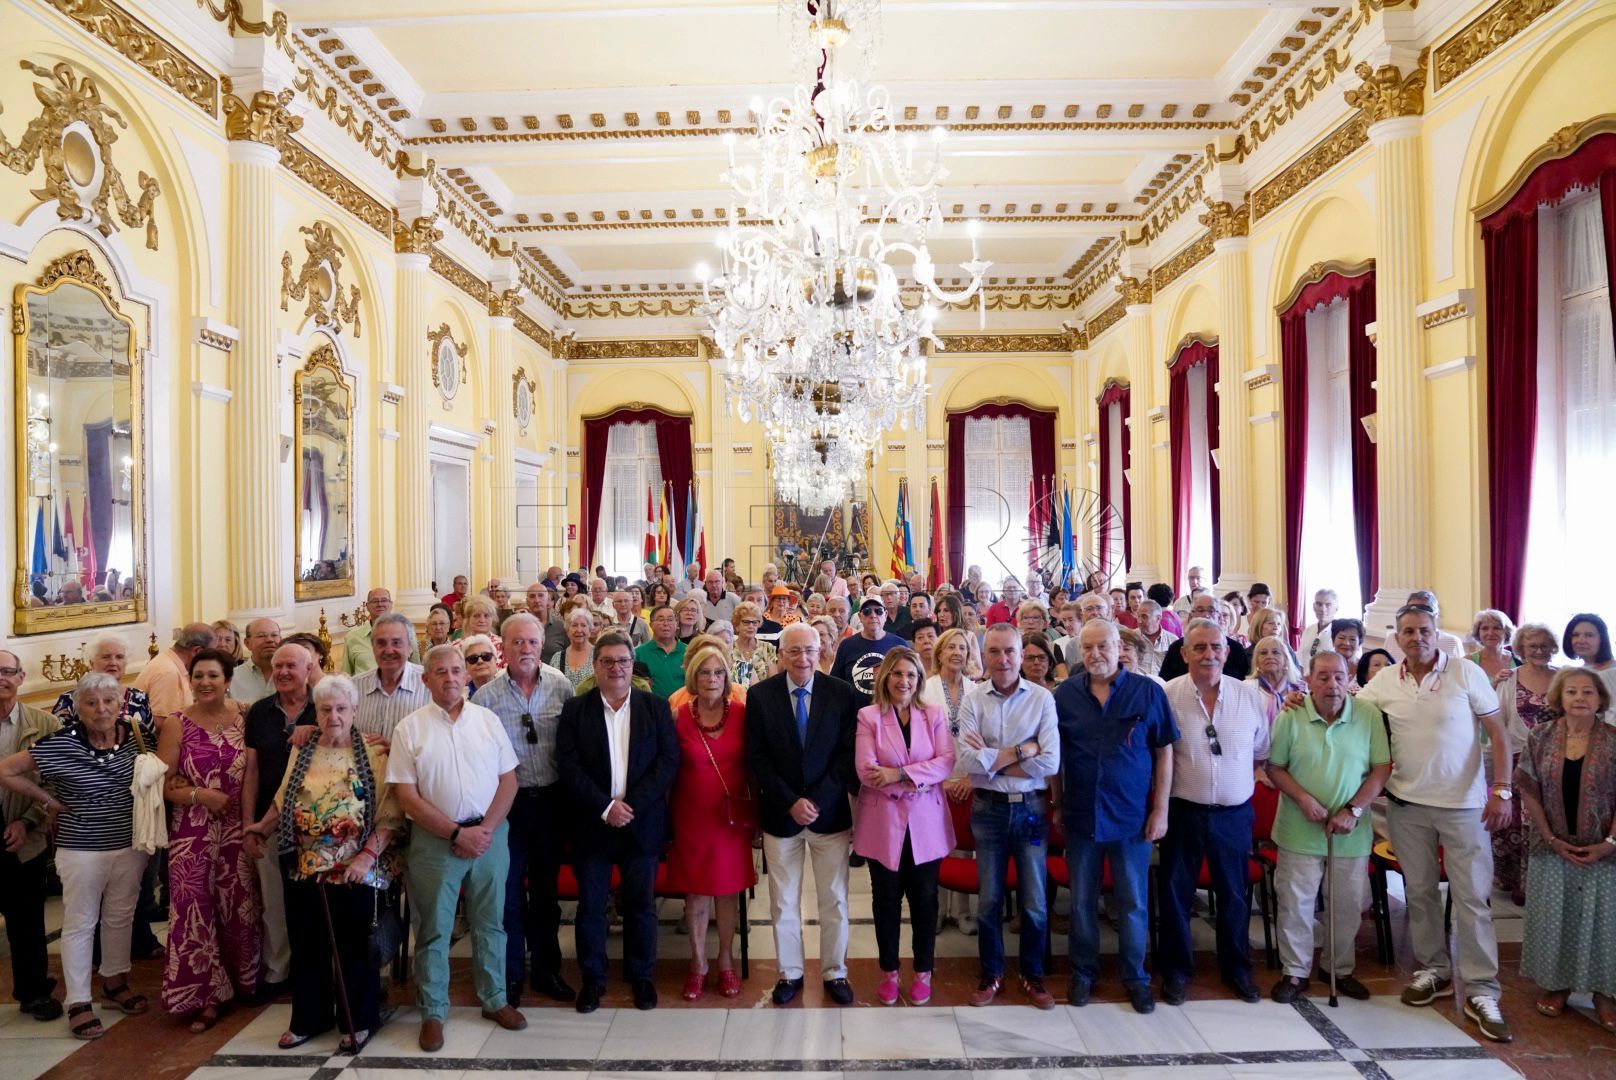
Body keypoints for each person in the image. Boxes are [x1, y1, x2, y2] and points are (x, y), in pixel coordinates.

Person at [1357, 603, 1513, 1042]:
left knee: (1472, 899)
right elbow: (1348, 712)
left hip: (1465, 806)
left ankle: (1483, 988)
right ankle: (1434, 970)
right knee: (1420, 892)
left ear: (1437, 632)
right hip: (1408, 806)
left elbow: (1498, 733)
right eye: (1407, 631)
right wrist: (1299, 698)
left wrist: (1502, 789)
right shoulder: (1385, 680)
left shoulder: (1466, 672)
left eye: (1424, 630)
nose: (1416, 638)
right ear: (1397, 637)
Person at [247, 675, 401, 1052]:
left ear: (355, 710)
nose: (333, 716)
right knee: (306, 944)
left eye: (341, 708)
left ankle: (358, 1018)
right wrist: (261, 828)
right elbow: (285, 797)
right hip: (304, 863)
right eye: (326, 708)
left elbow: (390, 815)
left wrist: (365, 858)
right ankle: (309, 1018)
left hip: (356, 868)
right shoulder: (304, 748)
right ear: (316, 712)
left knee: (354, 945)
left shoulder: (375, 751)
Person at [388, 644, 524, 1052]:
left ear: (467, 676)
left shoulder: (487, 721)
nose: (450, 678)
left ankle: (495, 999)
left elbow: (509, 781)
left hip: (490, 836)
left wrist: (484, 830)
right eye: (440, 672)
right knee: (433, 930)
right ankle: (432, 1010)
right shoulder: (408, 729)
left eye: (455, 671)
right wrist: (454, 834)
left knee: (491, 922)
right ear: (426, 680)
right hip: (434, 842)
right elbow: (407, 799)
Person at [0, 674, 149, 1040]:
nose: (101, 709)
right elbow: (6, 770)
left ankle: (115, 983)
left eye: (109, 701)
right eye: (91, 702)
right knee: (81, 923)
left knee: (120, 916)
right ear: (77, 707)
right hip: (81, 848)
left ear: (121, 705)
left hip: (130, 844)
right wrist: (48, 802)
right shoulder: (59, 744)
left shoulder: (139, 738)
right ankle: (79, 1002)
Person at [1056, 620, 1175, 1013]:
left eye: (1102, 646)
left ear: (1118, 646)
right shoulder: (1066, 695)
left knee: (1132, 903)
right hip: (1081, 815)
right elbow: (1055, 759)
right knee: (1083, 902)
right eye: (1087, 647)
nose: (1095, 654)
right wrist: (1056, 803)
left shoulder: (1147, 693)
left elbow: (1164, 752)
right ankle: (1084, 973)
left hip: (1132, 819)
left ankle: (1135, 977)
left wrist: (1161, 809)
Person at [556, 632, 679, 1013]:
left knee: (641, 906)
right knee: (591, 907)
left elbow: (667, 762)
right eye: (607, 661)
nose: (616, 668)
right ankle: (593, 980)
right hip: (593, 824)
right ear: (595, 666)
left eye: (622, 661)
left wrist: (631, 806)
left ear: (632, 665)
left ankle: (641, 977)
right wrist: (606, 807)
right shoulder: (576, 710)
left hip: (641, 824)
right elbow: (569, 765)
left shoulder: (655, 707)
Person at [1265, 652, 1391, 1003]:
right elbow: (1275, 767)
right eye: (1322, 676)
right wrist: (1303, 799)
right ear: (1308, 679)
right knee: (1295, 902)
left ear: (1349, 676)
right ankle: (1295, 970)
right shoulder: (1291, 716)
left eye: (1338, 676)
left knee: (1348, 904)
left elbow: (1381, 769)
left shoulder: (1367, 715)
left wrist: (1354, 809)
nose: (1331, 684)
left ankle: (1339, 969)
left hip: (1350, 830)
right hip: (1298, 827)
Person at [746, 622, 860, 1006]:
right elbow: (757, 758)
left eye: (809, 650)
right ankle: (790, 972)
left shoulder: (842, 694)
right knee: (783, 901)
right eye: (793, 651)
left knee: (834, 899)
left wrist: (818, 800)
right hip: (782, 815)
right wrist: (790, 801)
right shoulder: (761, 696)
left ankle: (835, 971)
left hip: (828, 817)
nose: (802, 658)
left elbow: (847, 756)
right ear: (781, 654)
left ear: (821, 651)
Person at [1159, 617, 1271, 1004]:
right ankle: (1176, 970)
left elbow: (1261, 751)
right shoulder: (1168, 696)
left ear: (1227, 651)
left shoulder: (1249, 696)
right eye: (1201, 648)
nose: (1209, 655)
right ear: (1184, 652)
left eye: (1216, 647)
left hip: (1233, 815)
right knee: (1176, 894)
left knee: (1234, 895)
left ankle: (1236, 968)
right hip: (1183, 812)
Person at [471, 613, 577, 1006]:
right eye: (517, 642)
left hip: (550, 803)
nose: (526, 649)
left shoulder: (561, 686)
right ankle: (511, 974)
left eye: (532, 642)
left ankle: (548, 970)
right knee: (509, 893)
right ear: (504, 647)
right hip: (508, 810)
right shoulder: (485, 698)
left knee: (547, 894)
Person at [959, 624, 1060, 1008]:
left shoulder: (1041, 699)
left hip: (1032, 810)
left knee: (1034, 900)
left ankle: (1033, 975)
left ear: (1022, 655)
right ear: (985, 655)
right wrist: (1023, 751)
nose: (1002, 660)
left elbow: (1050, 762)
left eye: (1010, 652)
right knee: (989, 900)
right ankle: (992, 973)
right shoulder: (973, 700)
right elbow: (968, 762)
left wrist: (993, 759)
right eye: (995, 651)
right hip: (988, 810)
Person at [158, 649, 260, 1031]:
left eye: (213, 676)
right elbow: (165, 785)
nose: (204, 683)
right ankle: (203, 997)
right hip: (193, 831)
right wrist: (201, 795)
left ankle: (243, 982)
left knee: (239, 904)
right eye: (198, 676)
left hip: (237, 826)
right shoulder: (176, 723)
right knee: (194, 909)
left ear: (227, 679)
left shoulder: (247, 715)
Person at [1515, 668, 1616, 1031]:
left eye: (1588, 692)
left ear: (1600, 699)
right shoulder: (1540, 737)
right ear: (1560, 698)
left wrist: (1609, 844)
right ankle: (1557, 986)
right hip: (1551, 846)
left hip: (1606, 851)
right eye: (1571, 691)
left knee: (1603, 922)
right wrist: (1552, 838)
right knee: (1557, 918)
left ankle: (1606, 993)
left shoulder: (1614, 740)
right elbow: (1528, 789)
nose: (1579, 698)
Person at [852, 647, 955, 1006]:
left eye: (911, 675)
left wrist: (898, 774)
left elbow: (945, 762)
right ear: (885, 678)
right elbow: (865, 771)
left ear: (919, 680)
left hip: (926, 823)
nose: (904, 681)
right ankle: (889, 971)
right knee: (886, 900)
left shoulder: (934, 715)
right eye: (897, 674)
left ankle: (924, 970)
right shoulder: (869, 717)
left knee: (925, 900)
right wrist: (915, 777)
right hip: (883, 822)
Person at [664, 642, 756, 1000]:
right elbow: (669, 772)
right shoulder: (679, 716)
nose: (712, 679)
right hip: (691, 817)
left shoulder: (743, 713)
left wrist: (758, 822)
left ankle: (727, 960)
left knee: (728, 893)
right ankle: (698, 963)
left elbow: (754, 768)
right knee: (697, 894)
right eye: (705, 672)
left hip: (731, 819)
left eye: (719, 672)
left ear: (727, 677)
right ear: (693, 677)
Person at [241, 643, 319, 998]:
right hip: (267, 820)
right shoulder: (260, 712)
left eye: (292, 665)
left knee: (313, 899)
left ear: (308, 669)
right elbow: (252, 771)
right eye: (279, 667)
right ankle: (278, 970)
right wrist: (248, 823)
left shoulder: (324, 706)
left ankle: (314, 967)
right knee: (273, 897)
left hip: (315, 822)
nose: (284, 672)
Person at [0, 649, 64, 1022]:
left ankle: (34, 993)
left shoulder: (45, 725)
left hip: (24, 836)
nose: (2, 679)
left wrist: (27, 821)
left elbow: (57, 786)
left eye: (8, 672)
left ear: (22, 678)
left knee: (26, 920)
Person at [1495, 623, 1560, 904]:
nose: (1539, 651)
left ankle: (1547, 882)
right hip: (1517, 759)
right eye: (1533, 646)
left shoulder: (1563, 678)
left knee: (1549, 823)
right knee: (1516, 825)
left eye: (1545, 646)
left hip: (1555, 763)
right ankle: (1518, 883)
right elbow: (1499, 725)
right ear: (1521, 648)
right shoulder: (1509, 679)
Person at [927, 627, 980, 935]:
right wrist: (938, 781)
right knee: (935, 846)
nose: (957, 652)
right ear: (940, 653)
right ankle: (935, 909)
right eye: (951, 648)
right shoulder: (926, 688)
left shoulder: (978, 690)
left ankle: (961, 912)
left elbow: (986, 737)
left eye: (962, 648)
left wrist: (973, 778)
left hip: (969, 778)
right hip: (936, 781)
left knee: (963, 846)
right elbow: (919, 740)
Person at [52, 635, 155, 731]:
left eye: (119, 657)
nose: (113, 663)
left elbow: (150, 741)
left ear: (126, 663)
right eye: (106, 657)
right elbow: (56, 742)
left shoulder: (140, 698)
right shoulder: (70, 700)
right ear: (92, 663)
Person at [832, 596, 908, 708]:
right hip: (854, 717)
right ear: (860, 616)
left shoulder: (900, 645)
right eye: (867, 611)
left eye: (879, 611)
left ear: (885, 615)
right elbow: (836, 684)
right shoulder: (846, 646)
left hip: (891, 714)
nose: (873, 615)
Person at [134, 622, 216, 725]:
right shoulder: (168, 672)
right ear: (197, 651)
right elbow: (161, 723)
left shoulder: (170, 663)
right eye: (211, 654)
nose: (211, 660)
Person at [1159, 593, 1251, 681]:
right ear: (1191, 616)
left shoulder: (1236, 649)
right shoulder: (1177, 648)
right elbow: (1165, 683)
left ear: (1219, 616)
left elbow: (1243, 684)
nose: (1206, 615)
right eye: (1200, 610)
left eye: (1211, 610)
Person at [340, 589, 421, 675]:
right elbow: (346, 674)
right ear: (367, 606)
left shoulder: (407, 633)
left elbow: (416, 669)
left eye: (384, 600)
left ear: (391, 604)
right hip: (363, 687)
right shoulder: (352, 637)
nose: (380, 604)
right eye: (375, 601)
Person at [637, 604, 689, 698]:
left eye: (670, 619)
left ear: (677, 624)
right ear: (651, 625)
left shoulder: (690, 652)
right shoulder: (639, 653)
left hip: (683, 707)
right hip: (651, 708)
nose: (666, 624)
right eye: (661, 620)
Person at [1563, 613, 1616, 703]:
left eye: (1589, 635)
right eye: (1575, 635)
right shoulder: (1573, 674)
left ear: (1602, 639)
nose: (1581, 640)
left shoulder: (1613, 670)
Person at [231, 619, 282, 703]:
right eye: (261, 636)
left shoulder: (292, 675)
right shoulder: (232, 678)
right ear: (247, 643)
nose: (269, 640)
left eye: (274, 635)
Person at [730, 601, 778, 687]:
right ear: (737, 625)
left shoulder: (767, 647)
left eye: (755, 622)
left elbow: (773, 682)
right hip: (736, 697)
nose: (751, 626)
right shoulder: (729, 649)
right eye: (746, 622)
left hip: (762, 697)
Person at [550, 606, 597, 691]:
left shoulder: (599, 655)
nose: (579, 630)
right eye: (574, 625)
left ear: (590, 630)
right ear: (567, 630)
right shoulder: (557, 658)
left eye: (583, 625)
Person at [1469, 609, 1519, 684]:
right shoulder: (1469, 661)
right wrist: (1494, 683)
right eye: (1485, 628)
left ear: (1506, 632)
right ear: (1478, 632)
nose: (1490, 633)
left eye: (1496, 628)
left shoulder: (1518, 660)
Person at [1134, 600, 1177, 678]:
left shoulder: (1172, 641)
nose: (1139, 621)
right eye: (1138, 616)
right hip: (1137, 684)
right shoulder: (1131, 637)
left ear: (1158, 618)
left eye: (1144, 616)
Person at [526, 583, 567, 657]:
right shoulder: (520, 627)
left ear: (547, 599)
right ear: (527, 601)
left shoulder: (561, 626)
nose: (537, 600)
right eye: (532, 596)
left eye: (541, 595)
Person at [1302, 589, 1340, 658]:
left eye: (1328, 605)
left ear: (1336, 608)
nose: (1323, 609)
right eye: (1319, 604)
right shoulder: (1308, 631)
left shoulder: (1340, 634)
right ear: (1314, 607)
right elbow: (1300, 661)